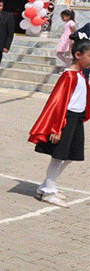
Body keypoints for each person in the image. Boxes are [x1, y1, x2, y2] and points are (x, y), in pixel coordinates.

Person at [28, 34, 89, 207]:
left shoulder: (80, 75)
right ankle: (49, 191)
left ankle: (46, 184)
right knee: (58, 156)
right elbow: (57, 103)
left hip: (76, 119)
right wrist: (57, 127)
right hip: (65, 119)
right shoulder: (68, 76)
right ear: (78, 55)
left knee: (71, 155)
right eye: (89, 55)